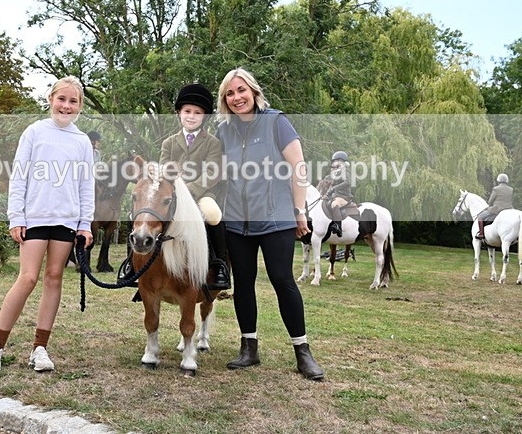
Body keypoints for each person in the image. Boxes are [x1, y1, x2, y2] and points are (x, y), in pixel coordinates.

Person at [0, 76, 95, 373]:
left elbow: (86, 186)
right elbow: (19, 177)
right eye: (61, 99)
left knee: (54, 277)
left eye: (73, 101)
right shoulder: (34, 132)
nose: (66, 106)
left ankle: (39, 349)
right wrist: (16, 217)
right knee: (28, 278)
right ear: (50, 99)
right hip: (35, 217)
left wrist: (85, 224)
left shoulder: (82, 141)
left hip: (66, 220)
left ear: (80, 106)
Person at [215, 67, 324, 381]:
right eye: (230, 93)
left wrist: (299, 211)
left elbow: (298, 167)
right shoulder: (223, 131)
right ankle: (249, 348)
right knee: (243, 283)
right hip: (237, 221)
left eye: (241, 90)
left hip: (276, 218)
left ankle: (302, 352)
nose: (237, 97)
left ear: (254, 91)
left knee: (282, 279)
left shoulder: (276, 121)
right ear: (224, 100)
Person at [118, 84, 231, 290]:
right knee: (138, 212)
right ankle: (131, 264)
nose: (191, 116)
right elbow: (162, 173)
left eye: (197, 113)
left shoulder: (212, 143)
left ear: (204, 117)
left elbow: (213, 172)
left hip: (200, 194)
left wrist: (189, 191)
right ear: (179, 113)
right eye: (187, 111)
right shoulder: (169, 142)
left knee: (213, 214)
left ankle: (219, 264)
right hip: (171, 194)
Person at [323, 151, 354, 238]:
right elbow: (332, 185)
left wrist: (334, 188)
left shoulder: (346, 171)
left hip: (344, 196)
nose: (335, 162)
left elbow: (347, 182)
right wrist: (327, 194)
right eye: (334, 161)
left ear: (342, 161)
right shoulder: (336, 173)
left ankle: (338, 226)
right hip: (335, 196)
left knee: (335, 204)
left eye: (337, 160)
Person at [475, 173, 513, 239]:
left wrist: (490, 206)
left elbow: (490, 201)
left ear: (498, 180)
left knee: (480, 217)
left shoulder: (496, 189)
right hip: (509, 208)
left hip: (497, 209)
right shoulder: (511, 189)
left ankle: (481, 233)